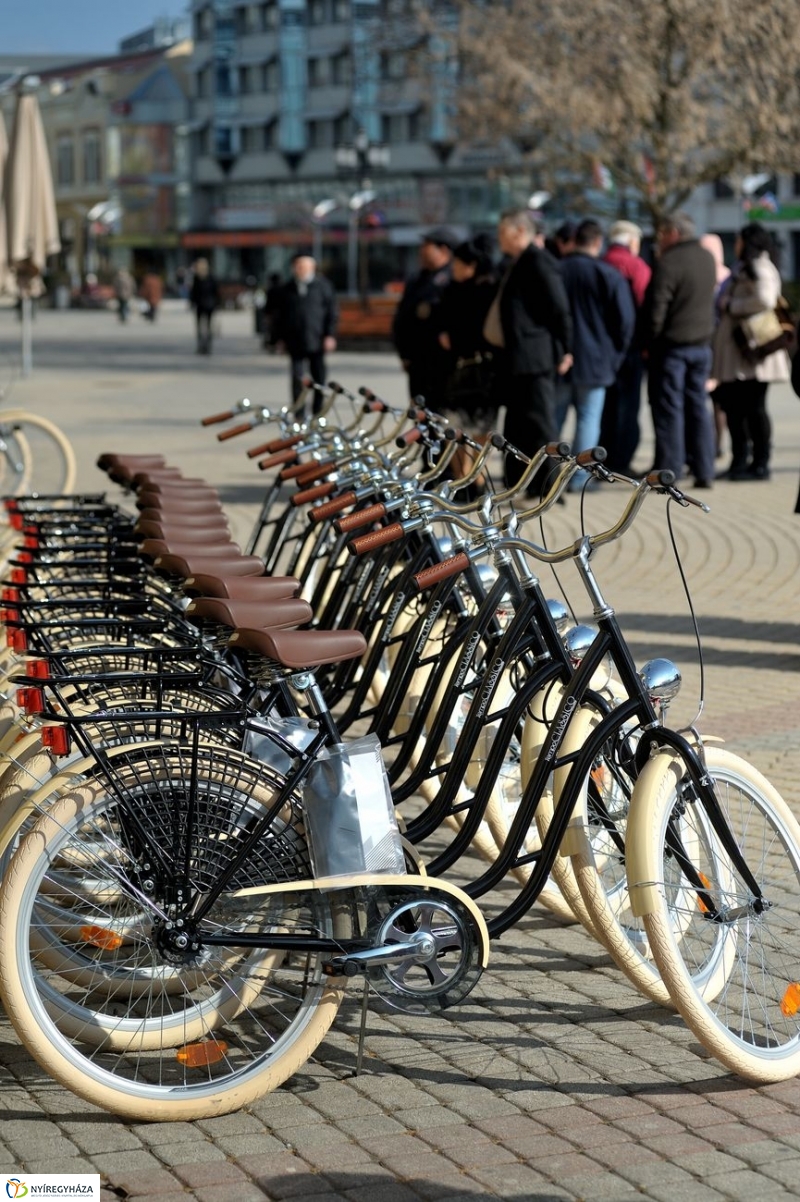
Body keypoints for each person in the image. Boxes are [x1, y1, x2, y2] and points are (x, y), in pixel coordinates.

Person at [485, 208, 573, 496]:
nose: (499, 239)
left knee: (540, 424)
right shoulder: (517, 261)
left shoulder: (538, 261)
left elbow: (559, 309)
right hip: (517, 359)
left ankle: (549, 487)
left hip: (535, 358)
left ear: (520, 231)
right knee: (518, 426)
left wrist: (566, 350)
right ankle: (520, 482)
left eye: (503, 232)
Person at [557, 220, 635, 490]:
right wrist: (615, 356)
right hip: (596, 360)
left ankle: (551, 476)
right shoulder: (607, 273)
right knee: (588, 420)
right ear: (598, 242)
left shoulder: (557, 270)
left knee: (555, 420)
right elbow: (625, 321)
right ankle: (580, 479)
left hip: (560, 358)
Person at [642, 211, 717, 487]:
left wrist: (649, 342)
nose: (660, 239)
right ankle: (704, 469)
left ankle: (670, 471)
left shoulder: (669, 262)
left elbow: (656, 310)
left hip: (672, 348)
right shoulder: (706, 257)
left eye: (663, 233)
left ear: (673, 233)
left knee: (670, 409)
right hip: (701, 345)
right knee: (698, 407)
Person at [712, 223, 790, 482]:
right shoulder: (746, 265)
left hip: (754, 352)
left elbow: (766, 299)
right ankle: (739, 460)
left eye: (738, 240)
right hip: (740, 352)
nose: (735, 244)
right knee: (735, 408)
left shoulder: (761, 267)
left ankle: (760, 463)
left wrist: (732, 305)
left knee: (754, 409)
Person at [437, 235, 499, 488]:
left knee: (482, 428)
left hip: (484, 372)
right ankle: (462, 478)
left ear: (471, 265)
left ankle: (478, 478)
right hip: (457, 370)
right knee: (455, 427)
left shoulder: (489, 290)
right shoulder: (452, 290)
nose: (453, 268)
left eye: (458, 264)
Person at [599, 220, 652, 473]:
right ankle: (621, 461)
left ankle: (603, 456)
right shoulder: (636, 265)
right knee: (627, 408)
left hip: (600, 349)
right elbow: (645, 303)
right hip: (630, 349)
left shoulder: (599, 262)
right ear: (632, 242)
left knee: (606, 408)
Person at [392, 226, 457, 409]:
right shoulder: (418, 278)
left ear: (443, 250)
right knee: (420, 413)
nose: (421, 250)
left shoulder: (453, 277)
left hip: (442, 362)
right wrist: (404, 353)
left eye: (427, 246)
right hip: (416, 360)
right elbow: (403, 317)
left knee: (440, 415)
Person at [272, 254, 338, 412]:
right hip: (295, 340)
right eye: (297, 266)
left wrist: (330, 335)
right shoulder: (287, 289)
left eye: (303, 266)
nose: (300, 270)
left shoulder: (323, 286)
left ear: (312, 268)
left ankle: (317, 411)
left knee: (319, 378)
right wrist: (279, 339)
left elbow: (332, 312)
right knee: (297, 378)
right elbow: (279, 316)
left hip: (317, 339)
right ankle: (299, 411)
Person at [189, 258, 220, 355]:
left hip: (204, 305)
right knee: (206, 327)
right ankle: (205, 346)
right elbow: (216, 292)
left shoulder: (201, 278)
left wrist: (192, 303)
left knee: (202, 327)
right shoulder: (205, 277)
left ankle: (204, 346)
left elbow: (194, 293)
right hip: (206, 305)